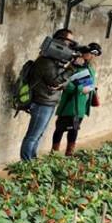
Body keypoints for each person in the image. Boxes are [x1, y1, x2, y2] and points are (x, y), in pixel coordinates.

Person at [20, 28, 85, 161]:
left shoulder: (55, 61)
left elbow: (63, 82)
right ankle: (26, 164)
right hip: (41, 103)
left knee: (38, 135)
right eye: (69, 42)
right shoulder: (46, 61)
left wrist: (63, 78)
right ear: (59, 42)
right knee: (32, 136)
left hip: (48, 102)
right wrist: (71, 68)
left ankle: (32, 161)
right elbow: (55, 81)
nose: (71, 46)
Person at [51, 43, 102, 156]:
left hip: (81, 105)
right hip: (69, 103)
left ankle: (69, 153)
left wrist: (91, 89)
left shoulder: (90, 67)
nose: (92, 57)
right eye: (91, 54)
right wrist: (80, 89)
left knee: (74, 130)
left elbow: (90, 83)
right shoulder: (73, 65)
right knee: (60, 129)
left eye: (94, 55)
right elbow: (65, 84)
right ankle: (54, 154)